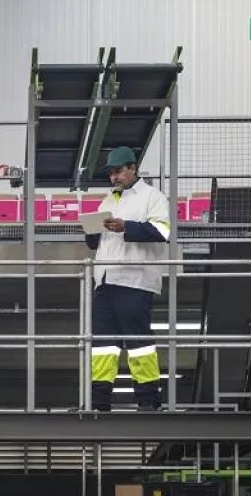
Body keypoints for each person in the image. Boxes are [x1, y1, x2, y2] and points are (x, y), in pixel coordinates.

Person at [84, 146, 172, 411]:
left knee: (138, 343)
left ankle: (148, 401)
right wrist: (91, 229)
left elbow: (162, 231)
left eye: (119, 171)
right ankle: (98, 402)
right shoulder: (108, 201)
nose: (115, 177)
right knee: (102, 345)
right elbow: (95, 244)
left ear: (133, 168)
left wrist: (127, 226)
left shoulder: (153, 197)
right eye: (111, 173)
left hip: (135, 280)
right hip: (105, 281)